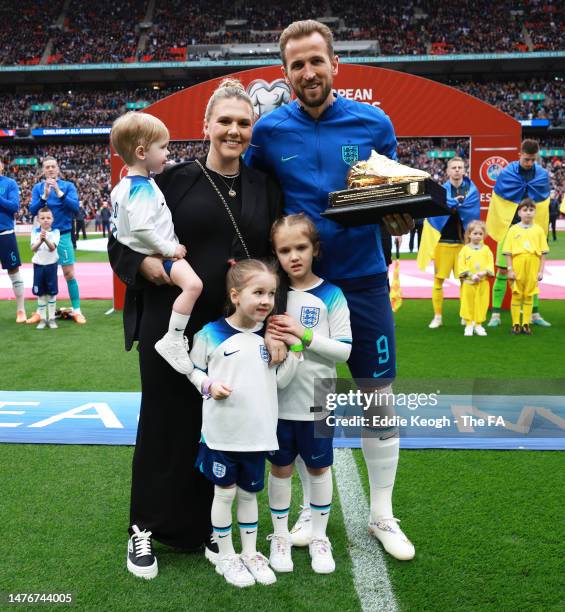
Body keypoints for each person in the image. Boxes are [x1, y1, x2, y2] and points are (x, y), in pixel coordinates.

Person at [245, 19, 415, 561]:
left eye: (317, 60)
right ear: (286, 72)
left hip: (363, 280)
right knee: (303, 400)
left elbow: (397, 204)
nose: (308, 72)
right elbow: (257, 202)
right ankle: (311, 510)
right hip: (300, 287)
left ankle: (382, 513)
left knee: (376, 395)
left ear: (335, 64)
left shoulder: (374, 122)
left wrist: (399, 221)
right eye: (297, 64)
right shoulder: (270, 132)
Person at [108, 79, 283, 579]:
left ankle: (211, 528)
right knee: (166, 423)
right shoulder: (171, 179)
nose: (233, 130)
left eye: (243, 122)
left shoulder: (265, 187)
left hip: (236, 334)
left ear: (253, 130)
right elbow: (125, 240)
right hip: (173, 327)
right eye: (224, 120)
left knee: (222, 428)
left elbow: (273, 256)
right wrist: (153, 270)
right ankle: (145, 526)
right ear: (205, 125)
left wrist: (273, 321)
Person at [188, 259, 301, 588]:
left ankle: (250, 552)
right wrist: (209, 386)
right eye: (258, 292)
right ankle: (226, 555)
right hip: (222, 436)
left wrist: (295, 352)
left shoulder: (271, 337)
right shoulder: (210, 334)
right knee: (223, 495)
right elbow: (192, 371)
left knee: (250, 496)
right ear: (236, 295)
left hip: (258, 436)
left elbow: (280, 382)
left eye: (271, 293)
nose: (266, 300)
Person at [267, 214, 352, 575]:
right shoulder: (272, 295)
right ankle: (281, 536)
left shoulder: (331, 294)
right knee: (280, 468)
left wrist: (303, 336)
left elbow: (344, 351)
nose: (294, 256)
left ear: (315, 249)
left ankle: (319, 536)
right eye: (284, 250)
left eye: (300, 247)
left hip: (320, 397)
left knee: (319, 467)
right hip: (278, 401)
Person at [110, 111, 203, 375]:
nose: (167, 153)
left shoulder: (123, 186)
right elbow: (141, 229)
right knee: (194, 285)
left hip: (152, 254)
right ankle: (173, 338)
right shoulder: (142, 188)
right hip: (160, 257)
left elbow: (121, 231)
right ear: (142, 152)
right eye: (162, 147)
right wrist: (169, 248)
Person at [486, 139, 551, 328]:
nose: (529, 163)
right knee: (502, 270)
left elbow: (544, 205)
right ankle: (496, 315)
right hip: (509, 228)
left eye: (532, 160)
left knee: (532, 274)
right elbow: (498, 202)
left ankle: (534, 314)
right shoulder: (507, 173)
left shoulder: (542, 175)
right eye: (526, 159)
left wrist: (540, 231)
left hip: (532, 231)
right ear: (519, 155)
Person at [417, 156, 480, 329]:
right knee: (438, 280)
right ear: (448, 171)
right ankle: (437, 317)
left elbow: (473, 217)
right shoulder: (441, 192)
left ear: (464, 170)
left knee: (464, 281)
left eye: (460, 167)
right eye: (454, 167)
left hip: (463, 244)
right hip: (443, 243)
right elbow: (434, 217)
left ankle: (464, 314)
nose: (457, 170)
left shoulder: (472, 192)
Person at [29, 156, 86, 325]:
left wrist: (59, 193)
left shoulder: (68, 186)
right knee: (42, 275)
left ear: (58, 168)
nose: (51, 169)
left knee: (69, 273)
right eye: (47, 167)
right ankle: (41, 312)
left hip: (63, 235)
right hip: (43, 236)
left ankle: (77, 310)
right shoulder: (38, 188)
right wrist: (44, 197)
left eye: (53, 166)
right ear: (43, 170)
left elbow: (75, 208)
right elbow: (32, 210)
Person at [502, 198, 549, 335]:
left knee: (529, 295)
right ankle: (516, 323)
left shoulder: (539, 230)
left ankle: (526, 323)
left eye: (531, 210)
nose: (528, 213)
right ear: (519, 213)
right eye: (525, 210)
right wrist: (510, 269)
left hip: (533, 264)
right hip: (517, 264)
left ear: (535, 212)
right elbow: (508, 252)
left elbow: (543, 253)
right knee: (516, 294)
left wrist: (541, 271)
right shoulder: (513, 230)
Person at [0, 158, 26, 323]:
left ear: (1, 166)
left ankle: (21, 310)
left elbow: (14, 206)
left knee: (13, 271)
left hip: (5, 233)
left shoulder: (9, 183)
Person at [457, 220, 494, 337]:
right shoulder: (465, 250)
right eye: (475, 233)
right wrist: (471, 275)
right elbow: (461, 265)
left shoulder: (486, 249)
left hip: (482, 283)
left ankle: (478, 324)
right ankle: (468, 324)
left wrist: (483, 273)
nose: (478, 236)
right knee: (468, 303)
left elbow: (490, 264)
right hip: (469, 282)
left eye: (480, 234)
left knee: (482, 303)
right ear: (469, 234)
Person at [30, 207, 60, 330]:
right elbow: (33, 248)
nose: (45, 220)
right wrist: (40, 240)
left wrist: (45, 239)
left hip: (51, 266)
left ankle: (51, 318)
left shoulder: (56, 232)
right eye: (42, 218)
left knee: (51, 293)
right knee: (41, 294)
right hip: (38, 267)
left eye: (48, 218)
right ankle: (42, 319)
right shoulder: (35, 232)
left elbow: (53, 247)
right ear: (38, 219)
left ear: (52, 219)